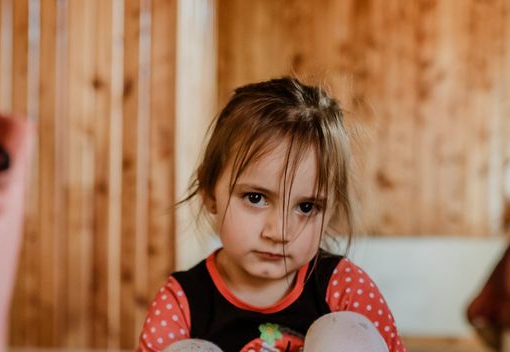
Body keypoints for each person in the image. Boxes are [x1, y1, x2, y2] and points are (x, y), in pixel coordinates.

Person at [137, 77, 406, 352]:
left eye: (306, 207)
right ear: (209, 192)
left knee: (347, 334)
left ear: (330, 210)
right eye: (255, 198)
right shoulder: (182, 300)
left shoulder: (344, 287)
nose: (279, 232)